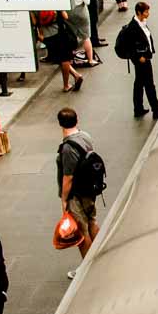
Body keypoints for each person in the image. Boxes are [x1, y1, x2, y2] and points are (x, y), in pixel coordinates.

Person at [57, 108, 102, 273]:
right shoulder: (85, 136)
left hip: (76, 194)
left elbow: (68, 177)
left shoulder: (68, 148)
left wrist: (64, 199)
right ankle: (99, 257)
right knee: (92, 220)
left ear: (60, 124)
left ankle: (87, 269)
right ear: (77, 120)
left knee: (81, 231)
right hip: (90, 189)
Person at [118, 2, 158, 119]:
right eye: (146, 11)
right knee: (149, 85)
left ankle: (138, 108)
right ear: (139, 12)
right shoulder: (133, 28)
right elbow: (130, 46)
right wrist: (138, 57)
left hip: (145, 57)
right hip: (142, 60)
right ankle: (156, 109)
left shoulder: (142, 23)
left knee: (139, 83)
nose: (148, 14)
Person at [68, 0, 98, 68]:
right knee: (86, 37)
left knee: (71, 37)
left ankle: (71, 60)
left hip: (69, 13)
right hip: (81, 12)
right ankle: (90, 60)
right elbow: (87, 1)